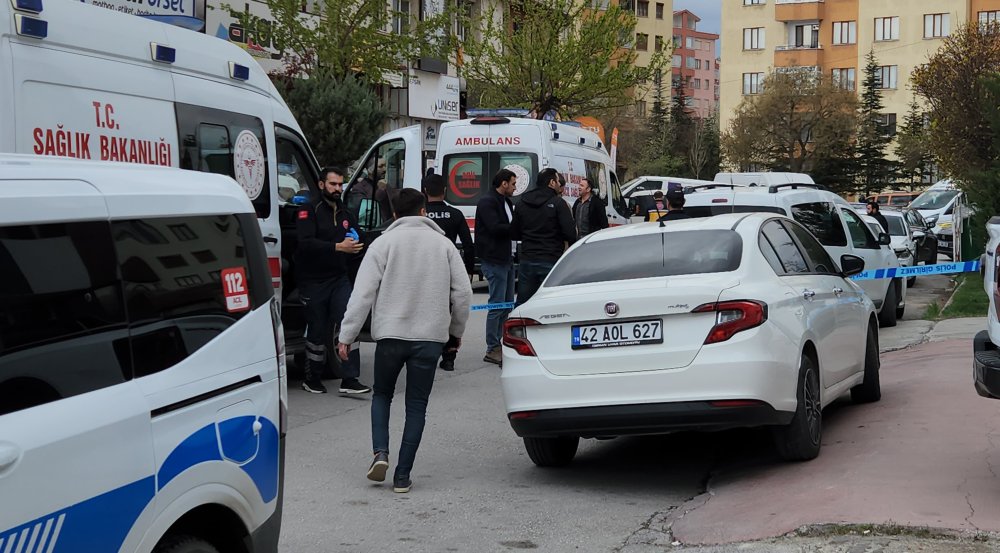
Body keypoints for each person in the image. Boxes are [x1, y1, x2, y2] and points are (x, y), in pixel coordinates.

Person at [337, 188, 473, 494]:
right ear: (424, 211)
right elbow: (463, 294)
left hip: (389, 337)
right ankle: (402, 475)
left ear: (394, 214)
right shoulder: (444, 245)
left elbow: (362, 294)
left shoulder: (382, 243)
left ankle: (380, 453)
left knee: (382, 395)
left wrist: (347, 335)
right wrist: (456, 333)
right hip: (429, 339)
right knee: (416, 405)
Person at [295, 166, 372, 395]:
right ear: (321, 185)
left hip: (339, 279)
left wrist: (360, 244)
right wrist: (338, 247)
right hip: (313, 280)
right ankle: (312, 378)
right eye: (333, 184)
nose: (338, 189)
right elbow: (305, 244)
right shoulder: (308, 210)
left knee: (349, 322)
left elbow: (359, 237)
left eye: (340, 184)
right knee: (317, 332)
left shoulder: (345, 212)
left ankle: (350, 378)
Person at [423, 172, 475, 371]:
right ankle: (449, 357)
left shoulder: (420, 214)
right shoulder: (455, 214)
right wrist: (468, 272)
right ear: (445, 191)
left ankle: (427, 352)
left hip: (423, 271)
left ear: (425, 191)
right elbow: (469, 246)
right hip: (447, 270)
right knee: (450, 313)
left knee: (426, 313)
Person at [510, 168, 577, 306]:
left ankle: (521, 327)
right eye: (558, 181)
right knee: (552, 304)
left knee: (524, 304)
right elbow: (570, 233)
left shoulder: (521, 203)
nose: (560, 184)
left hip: (527, 259)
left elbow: (514, 232)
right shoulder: (559, 204)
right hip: (551, 259)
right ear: (552, 183)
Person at [475, 169, 517, 366]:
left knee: (507, 304)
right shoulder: (488, 202)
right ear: (503, 183)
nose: (515, 187)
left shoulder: (507, 202)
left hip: (507, 259)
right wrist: (518, 228)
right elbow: (494, 227)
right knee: (496, 304)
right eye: (513, 183)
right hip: (494, 259)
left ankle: (501, 343)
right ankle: (492, 347)